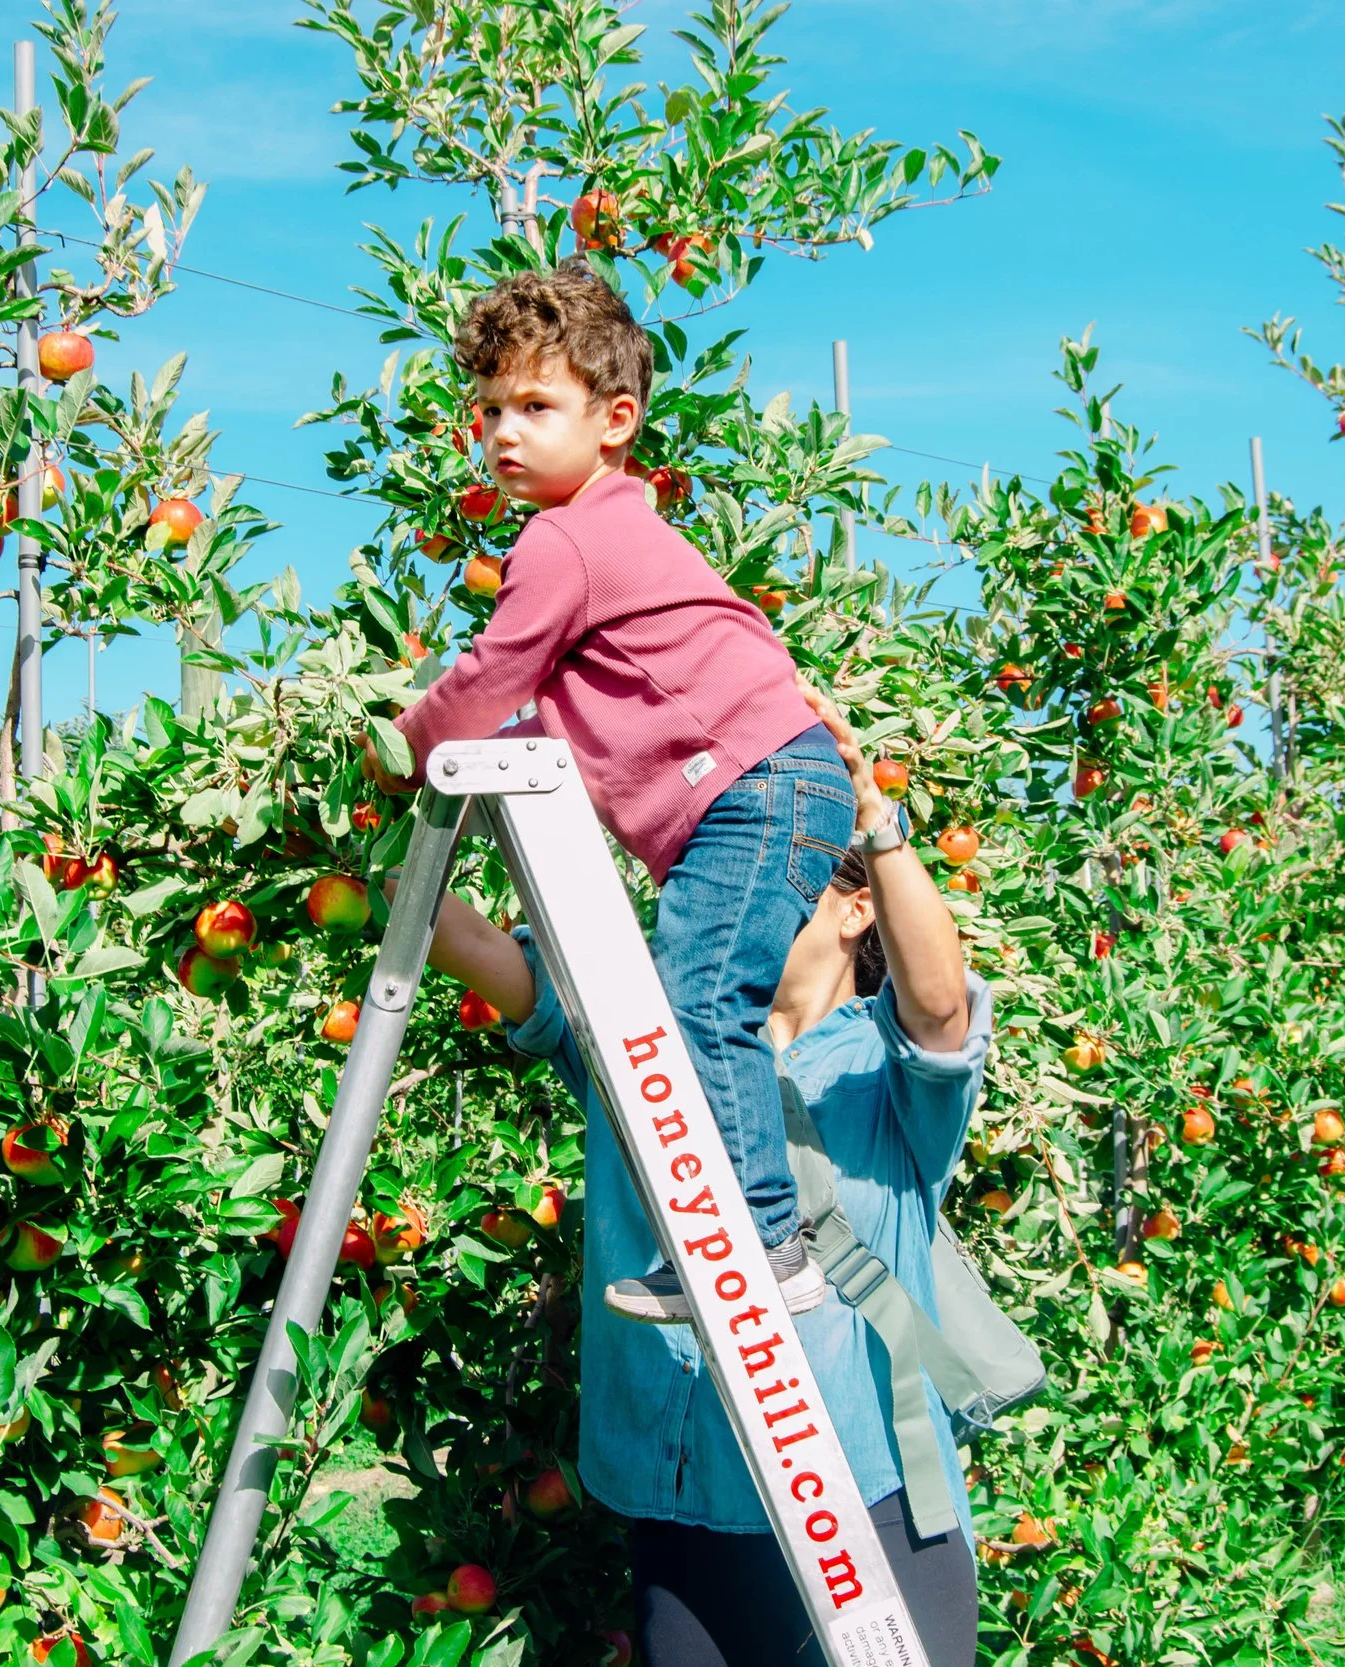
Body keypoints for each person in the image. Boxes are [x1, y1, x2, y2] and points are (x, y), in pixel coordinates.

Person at [417, 690, 993, 1666]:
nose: (731, 900)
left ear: (855, 906)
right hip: (683, 1506)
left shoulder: (877, 1071)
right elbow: (468, 943)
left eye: (776, 878)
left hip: (866, 1494)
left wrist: (870, 817)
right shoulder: (639, 1040)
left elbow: (941, 1007)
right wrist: (399, 782)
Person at [367, 258, 851, 1321]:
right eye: (489, 408)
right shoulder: (609, 533)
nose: (502, 431)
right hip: (771, 783)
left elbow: (491, 675)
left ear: (615, 418)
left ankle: (762, 1238)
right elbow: (552, 721)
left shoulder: (563, 539)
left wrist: (398, 749)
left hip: (757, 787)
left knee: (697, 1004)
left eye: (536, 406)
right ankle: (747, 1234)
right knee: (699, 1003)